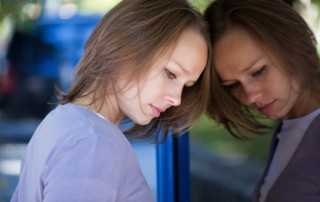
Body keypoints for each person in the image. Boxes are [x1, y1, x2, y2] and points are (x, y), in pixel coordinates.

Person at [11, 0, 212, 201]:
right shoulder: (92, 142)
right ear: (127, 46)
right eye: (170, 74)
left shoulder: (59, 123)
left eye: (187, 86)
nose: (177, 99)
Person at [204, 0, 320, 201]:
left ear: (293, 44)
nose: (250, 96)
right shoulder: (290, 124)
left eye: (258, 72)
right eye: (233, 85)